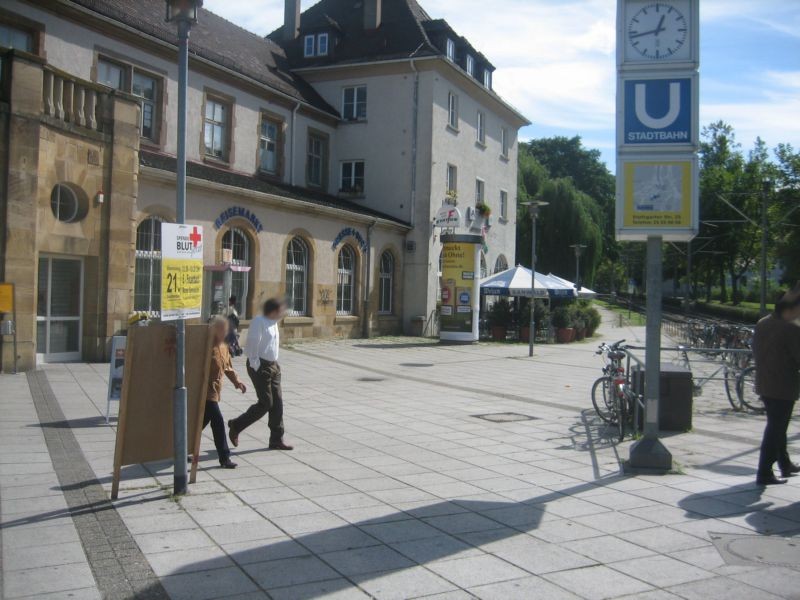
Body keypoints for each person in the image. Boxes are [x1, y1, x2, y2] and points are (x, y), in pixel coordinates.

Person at [228, 298, 293, 451]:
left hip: (274, 366)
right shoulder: (259, 321)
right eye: (280, 310)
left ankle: (276, 439)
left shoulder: (274, 322)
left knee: (277, 403)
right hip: (260, 366)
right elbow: (251, 345)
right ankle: (236, 425)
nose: (282, 313)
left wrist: (275, 364)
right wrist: (256, 365)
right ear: (272, 310)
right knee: (266, 403)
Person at [753, 285, 800, 486]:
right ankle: (764, 472)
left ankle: (784, 463)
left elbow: (755, 349)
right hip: (783, 385)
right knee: (775, 428)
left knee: (777, 425)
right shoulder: (791, 327)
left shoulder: (763, 322)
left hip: (764, 382)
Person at [199, 316, 247, 469]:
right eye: (222, 329)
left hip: (214, 390)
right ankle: (224, 458)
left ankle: (181, 447)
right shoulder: (204, 345)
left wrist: (237, 381)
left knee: (199, 424)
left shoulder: (224, 346)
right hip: (204, 391)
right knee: (218, 422)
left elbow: (227, 367)